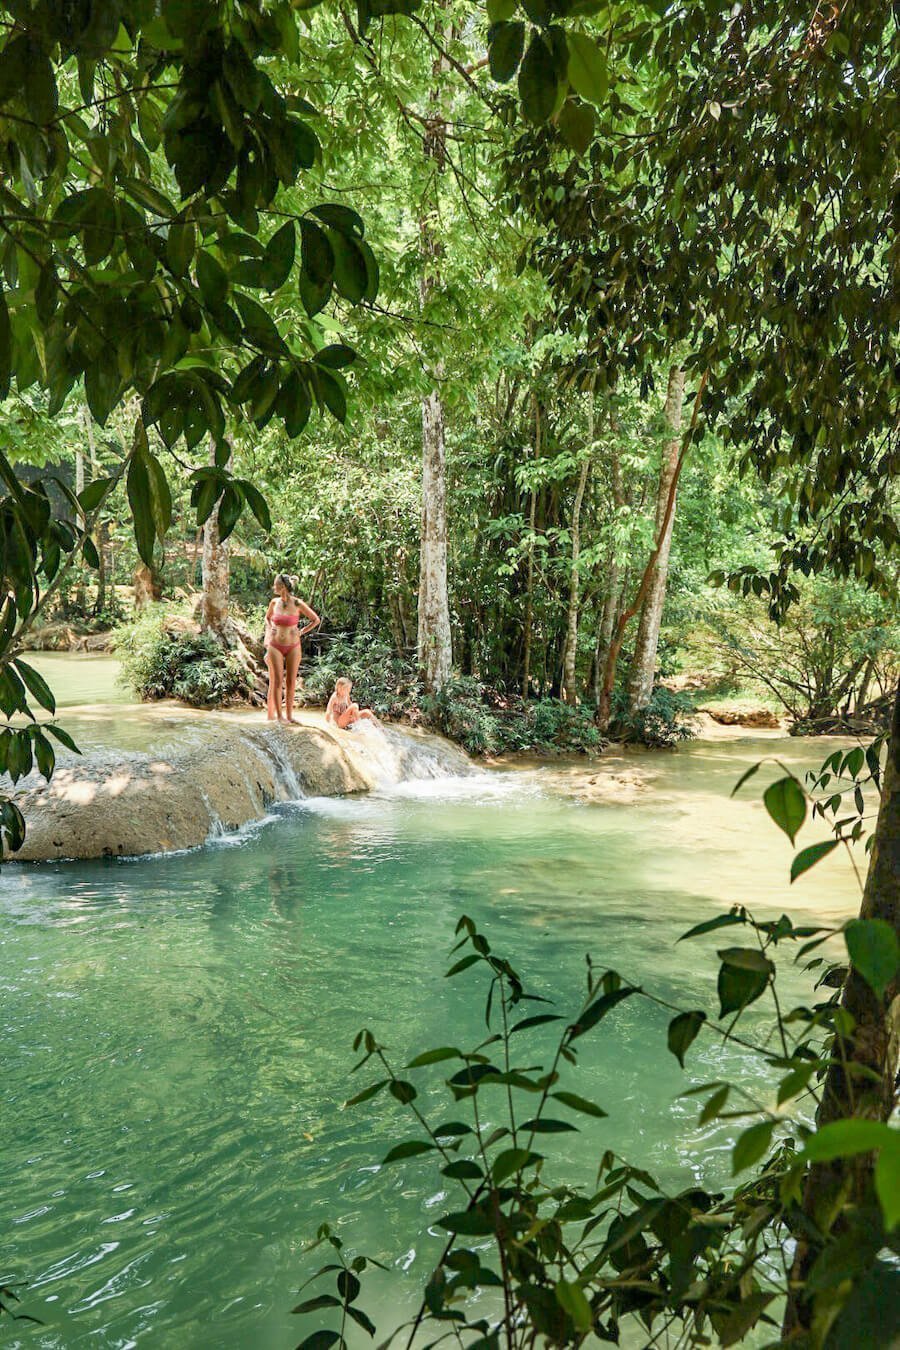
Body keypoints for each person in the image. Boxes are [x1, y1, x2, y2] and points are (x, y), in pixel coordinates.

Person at [264, 574, 320, 724]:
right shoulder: (274, 602)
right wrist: (271, 629)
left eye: (275, 584)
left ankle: (289, 715)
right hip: (275, 645)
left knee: (290, 682)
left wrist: (301, 631)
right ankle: (279, 717)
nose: (273, 587)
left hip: (293, 645)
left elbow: (315, 619)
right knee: (276, 680)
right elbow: (268, 618)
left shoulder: (297, 603)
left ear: (282, 587)